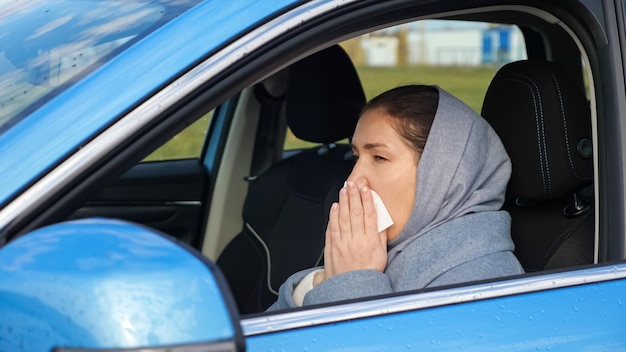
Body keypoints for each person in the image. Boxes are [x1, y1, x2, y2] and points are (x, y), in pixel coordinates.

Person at [268, 84, 524, 310]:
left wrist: (352, 282)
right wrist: (322, 282)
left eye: (379, 157)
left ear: (442, 174)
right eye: (356, 157)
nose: (353, 180)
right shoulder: (382, 253)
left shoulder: (484, 285)